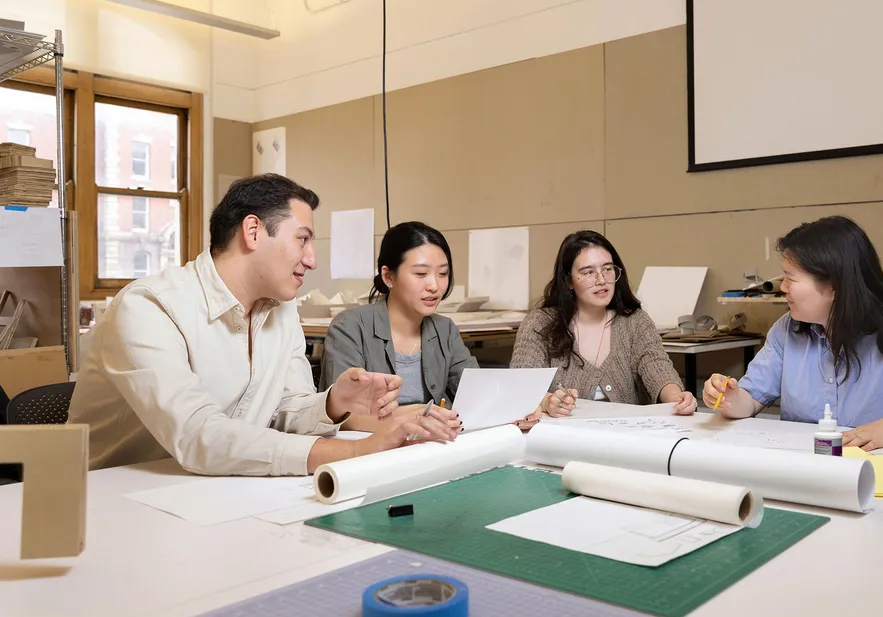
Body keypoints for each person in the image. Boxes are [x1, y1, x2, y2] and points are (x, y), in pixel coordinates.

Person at [68, 174, 456, 476]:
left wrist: (334, 402)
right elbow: (199, 436)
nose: (312, 259)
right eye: (302, 239)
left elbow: (285, 410)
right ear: (253, 232)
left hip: (217, 489)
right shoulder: (148, 307)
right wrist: (355, 451)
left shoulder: (279, 311)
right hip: (115, 498)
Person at [701, 216, 883, 522]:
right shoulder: (786, 332)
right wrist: (729, 397)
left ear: (833, 286)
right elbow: (749, 399)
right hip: (812, 492)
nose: (783, 289)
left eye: (791, 279)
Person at [510, 230, 696, 421]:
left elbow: (658, 369)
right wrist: (547, 402)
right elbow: (519, 386)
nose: (601, 280)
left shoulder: (635, 321)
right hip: (561, 441)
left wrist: (678, 398)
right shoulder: (539, 323)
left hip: (626, 439)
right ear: (569, 281)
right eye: (588, 272)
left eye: (607, 269)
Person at [322, 221, 473, 432]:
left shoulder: (445, 329)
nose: (434, 286)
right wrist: (414, 419)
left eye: (443, 274)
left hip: (435, 447)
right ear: (388, 277)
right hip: (370, 453)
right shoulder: (349, 327)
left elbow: (476, 393)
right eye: (421, 274)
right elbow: (344, 416)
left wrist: (523, 408)